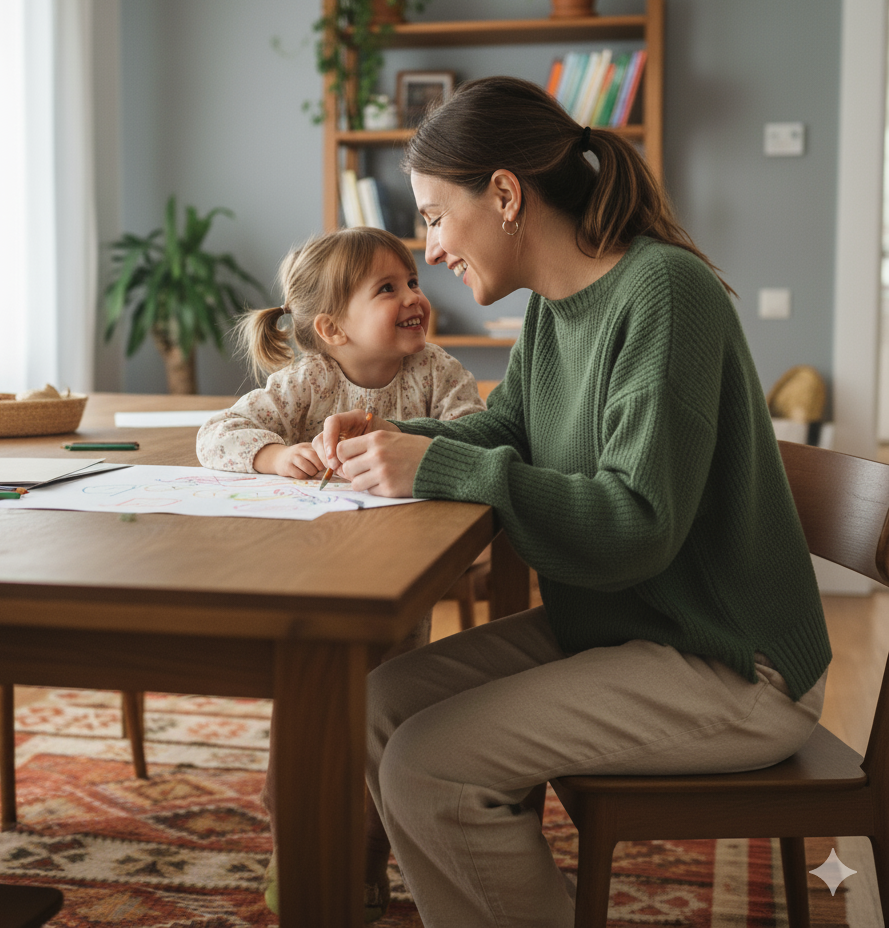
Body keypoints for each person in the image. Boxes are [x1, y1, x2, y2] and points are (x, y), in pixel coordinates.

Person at [314, 76, 832, 928]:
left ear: (506, 195)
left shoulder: (664, 293)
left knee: (428, 767)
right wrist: (399, 444)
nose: (431, 247)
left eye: (437, 216)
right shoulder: (557, 309)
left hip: (729, 659)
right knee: (379, 705)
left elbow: (636, 525)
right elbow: (510, 430)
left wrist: (437, 469)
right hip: (630, 621)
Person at [196, 225, 486, 919]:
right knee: (299, 746)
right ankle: (294, 857)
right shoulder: (306, 382)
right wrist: (271, 456)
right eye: (387, 289)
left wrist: (413, 449)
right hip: (306, 589)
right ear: (332, 328)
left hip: (394, 596)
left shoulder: (439, 375)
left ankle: (367, 866)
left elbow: (479, 434)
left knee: (380, 752)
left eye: (412, 281)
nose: (414, 296)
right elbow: (219, 434)